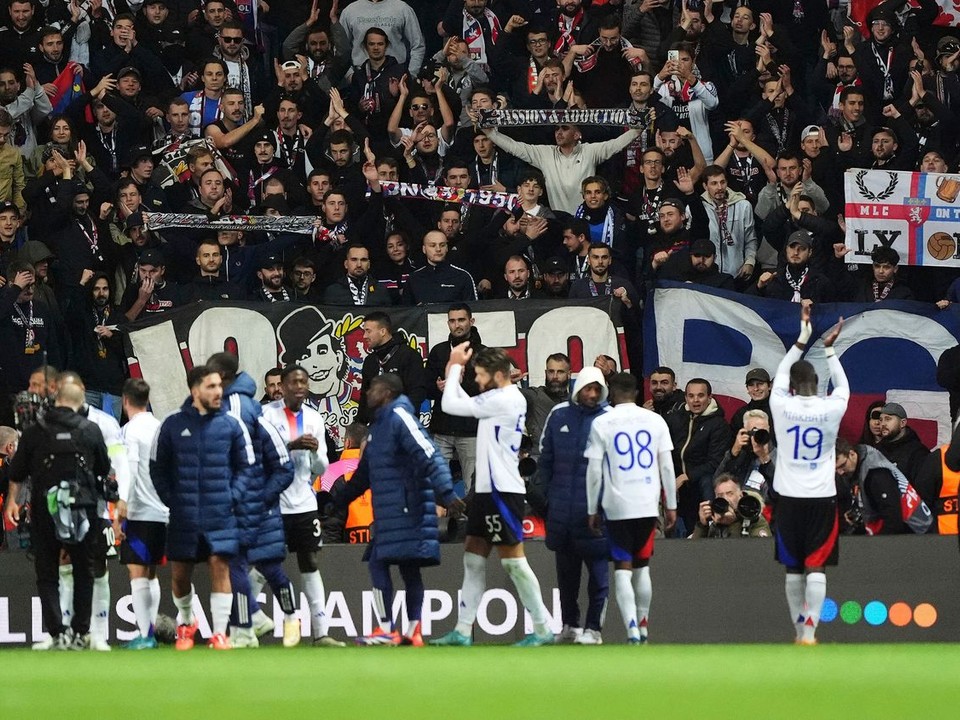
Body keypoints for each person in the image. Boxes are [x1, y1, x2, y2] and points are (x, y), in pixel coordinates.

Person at [432, 346, 554, 647]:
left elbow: (451, 404)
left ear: (499, 375)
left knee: (513, 562)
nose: (479, 381)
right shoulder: (497, 396)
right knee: (473, 559)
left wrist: (453, 366)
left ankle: (542, 627)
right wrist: (457, 373)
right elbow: (460, 401)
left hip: (503, 491)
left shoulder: (505, 398)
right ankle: (462, 631)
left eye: (482, 376)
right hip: (486, 491)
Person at [334, 373, 464, 646]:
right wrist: (339, 499)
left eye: (373, 389)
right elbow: (364, 475)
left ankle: (387, 629)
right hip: (392, 511)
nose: (368, 393)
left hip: (409, 508)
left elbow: (430, 454)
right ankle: (412, 631)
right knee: (407, 568)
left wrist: (447, 493)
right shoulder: (378, 428)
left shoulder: (401, 418)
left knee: (381, 562)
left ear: (388, 393)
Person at [150, 365, 256, 650]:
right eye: (211, 387)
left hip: (220, 513)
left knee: (219, 567)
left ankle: (220, 633)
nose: (218, 391)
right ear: (195, 390)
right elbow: (156, 468)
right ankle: (187, 622)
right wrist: (172, 500)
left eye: (219, 386)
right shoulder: (171, 424)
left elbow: (246, 466)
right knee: (180, 577)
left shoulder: (232, 425)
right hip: (183, 515)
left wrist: (232, 496)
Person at [3, 382, 111, 650]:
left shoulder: (34, 432)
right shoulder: (91, 429)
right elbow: (103, 468)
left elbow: (17, 472)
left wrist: (12, 504)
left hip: (44, 508)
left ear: (56, 400)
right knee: (84, 571)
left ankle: (57, 632)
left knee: (47, 571)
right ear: (81, 400)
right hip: (82, 509)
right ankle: (81, 632)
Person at [206, 352, 298, 649]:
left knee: (236, 562)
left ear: (221, 376)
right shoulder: (249, 409)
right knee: (266, 566)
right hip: (250, 500)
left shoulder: (235, 410)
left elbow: (281, 464)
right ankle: (261, 619)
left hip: (245, 501)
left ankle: (251, 625)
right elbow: (279, 461)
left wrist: (257, 497)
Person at [768, 304, 848, 645]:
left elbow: (780, 375)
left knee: (793, 567)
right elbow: (843, 387)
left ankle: (798, 630)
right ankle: (811, 632)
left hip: (788, 497)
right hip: (821, 497)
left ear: (791, 385)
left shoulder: (780, 405)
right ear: (817, 385)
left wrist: (802, 338)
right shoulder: (831, 407)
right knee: (817, 566)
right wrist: (829, 349)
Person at [584, 372, 677, 644]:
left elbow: (594, 472)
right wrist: (671, 504)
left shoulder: (602, 422)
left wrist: (592, 508)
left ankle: (632, 630)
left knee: (622, 569)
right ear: (637, 392)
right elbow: (667, 466)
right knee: (643, 568)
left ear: (611, 394)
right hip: (647, 503)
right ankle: (644, 625)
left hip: (617, 505)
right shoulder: (655, 420)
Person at [261, 365, 344, 647]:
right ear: (281, 387)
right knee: (264, 563)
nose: (300, 386)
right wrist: (291, 444)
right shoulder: (266, 415)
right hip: (274, 502)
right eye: (294, 382)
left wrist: (312, 451)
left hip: (304, 502)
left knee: (310, 562)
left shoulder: (314, 417)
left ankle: (321, 632)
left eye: (303, 382)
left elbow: (322, 467)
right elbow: (261, 455)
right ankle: (248, 625)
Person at [538, 366, 609, 645]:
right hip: (562, 513)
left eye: (596, 389)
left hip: (596, 515)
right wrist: (544, 500)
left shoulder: (608, 419)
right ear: (578, 388)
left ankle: (594, 628)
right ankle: (570, 625)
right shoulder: (558, 415)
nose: (591, 394)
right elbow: (545, 460)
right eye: (587, 388)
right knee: (566, 577)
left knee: (599, 577)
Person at [117, 378, 167, 649]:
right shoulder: (160, 427)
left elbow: (130, 469)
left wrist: (122, 504)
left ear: (125, 401)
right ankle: (150, 632)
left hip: (139, 511)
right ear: (147, 399)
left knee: (137, 572)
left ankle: (146, 634)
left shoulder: (130, 431)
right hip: (162, 511)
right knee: (151, 573)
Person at [425, 303, 483, 489]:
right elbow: (426, 388)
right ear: (447, 323)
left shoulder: (483, 353)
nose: (457, 325)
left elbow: (488, 391)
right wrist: (437, 387)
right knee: (436, 484)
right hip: (441, 428)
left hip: (471, 430)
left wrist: (458, 384)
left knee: (472, 485)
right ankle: (438, 518)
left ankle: (469, 519)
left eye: (461, 320)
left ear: (471, 321)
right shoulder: (439, 351)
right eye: (452, 321)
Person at [666, 378, 730, 535]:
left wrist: (686, 477)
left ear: (709, 397)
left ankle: (712, 528)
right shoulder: (676, 419)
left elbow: (715, 462)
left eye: (700, 396)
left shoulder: (718, 425)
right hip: (678, 482)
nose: (695, 400)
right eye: (691, 396)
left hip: (700, 483)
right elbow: (667, 450)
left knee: (707, 480)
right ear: (686, 397)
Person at [835, 438, 933, 536]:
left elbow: (893, 520)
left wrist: (878, 545)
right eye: (836, 469)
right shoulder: (861, 462)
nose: (840, 472)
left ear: (852, 454)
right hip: (905, 527)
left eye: (843, 465)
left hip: (916, 531)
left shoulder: (876, 474)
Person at [357, 311, 427, 423]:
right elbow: (365, 398)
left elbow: (417, 393)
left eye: (368, 331)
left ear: (383, 331)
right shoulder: (370, 360)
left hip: (403, 428)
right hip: (376, 429)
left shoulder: (409, 356)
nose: (364, 336)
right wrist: (359, 425)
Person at [691, 474, 770, 539]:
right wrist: (702, 526)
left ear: (740, 495)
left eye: (730, 494)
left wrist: (732, 523)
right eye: (720, 495)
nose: (725, 499)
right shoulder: (715, 521)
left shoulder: (755, 519)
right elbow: (694, 553)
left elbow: (757, 552)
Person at [876, 402, 930, 483]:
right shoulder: (875, 451)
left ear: (902, 423)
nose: (883, 424)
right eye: (881, 420)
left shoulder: (918, 453)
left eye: (888, 419)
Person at [730, 368, 773, 434]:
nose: (755, 388)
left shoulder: (781, 411)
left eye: (760, 384)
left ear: (769, 386)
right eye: (751, 385)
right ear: (747, 388)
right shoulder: (741, 414)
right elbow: (731, 441)